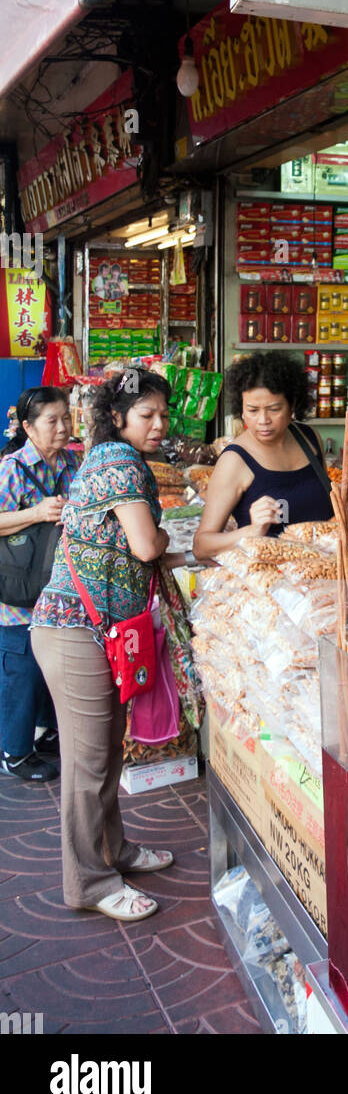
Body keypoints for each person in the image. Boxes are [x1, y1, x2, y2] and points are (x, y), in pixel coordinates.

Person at [31, 370, 189, 922]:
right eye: (147, 415)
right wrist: (168, 540)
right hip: (75, 631)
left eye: (164, 414)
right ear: (117, 417)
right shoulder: (120, 463)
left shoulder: (107, 458)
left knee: (106, 750)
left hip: (96, 631)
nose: (159, 424)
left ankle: (113, 851)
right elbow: (147, 544)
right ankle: (89, 882)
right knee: (88, 764)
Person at [0, 388, 78, 781]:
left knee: (49, 662)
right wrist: (35, 513)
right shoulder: (12, 469)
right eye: (53, 421)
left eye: (67, 418)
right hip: (15, 592)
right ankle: (13, 751)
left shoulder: (69, 462)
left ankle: (45, 732)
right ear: (29, 427)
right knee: (21, 670)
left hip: (53, 585)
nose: (64, 427)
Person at [193, 351, 333, 559]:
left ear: (292, 405)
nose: (263, 420)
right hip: (271, 584)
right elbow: (201, 546)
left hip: (325, 575)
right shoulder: (234, 460)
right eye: (252, 410)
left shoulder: (310, 440)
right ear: (241, 409)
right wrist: (251, 531)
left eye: (274, 409)